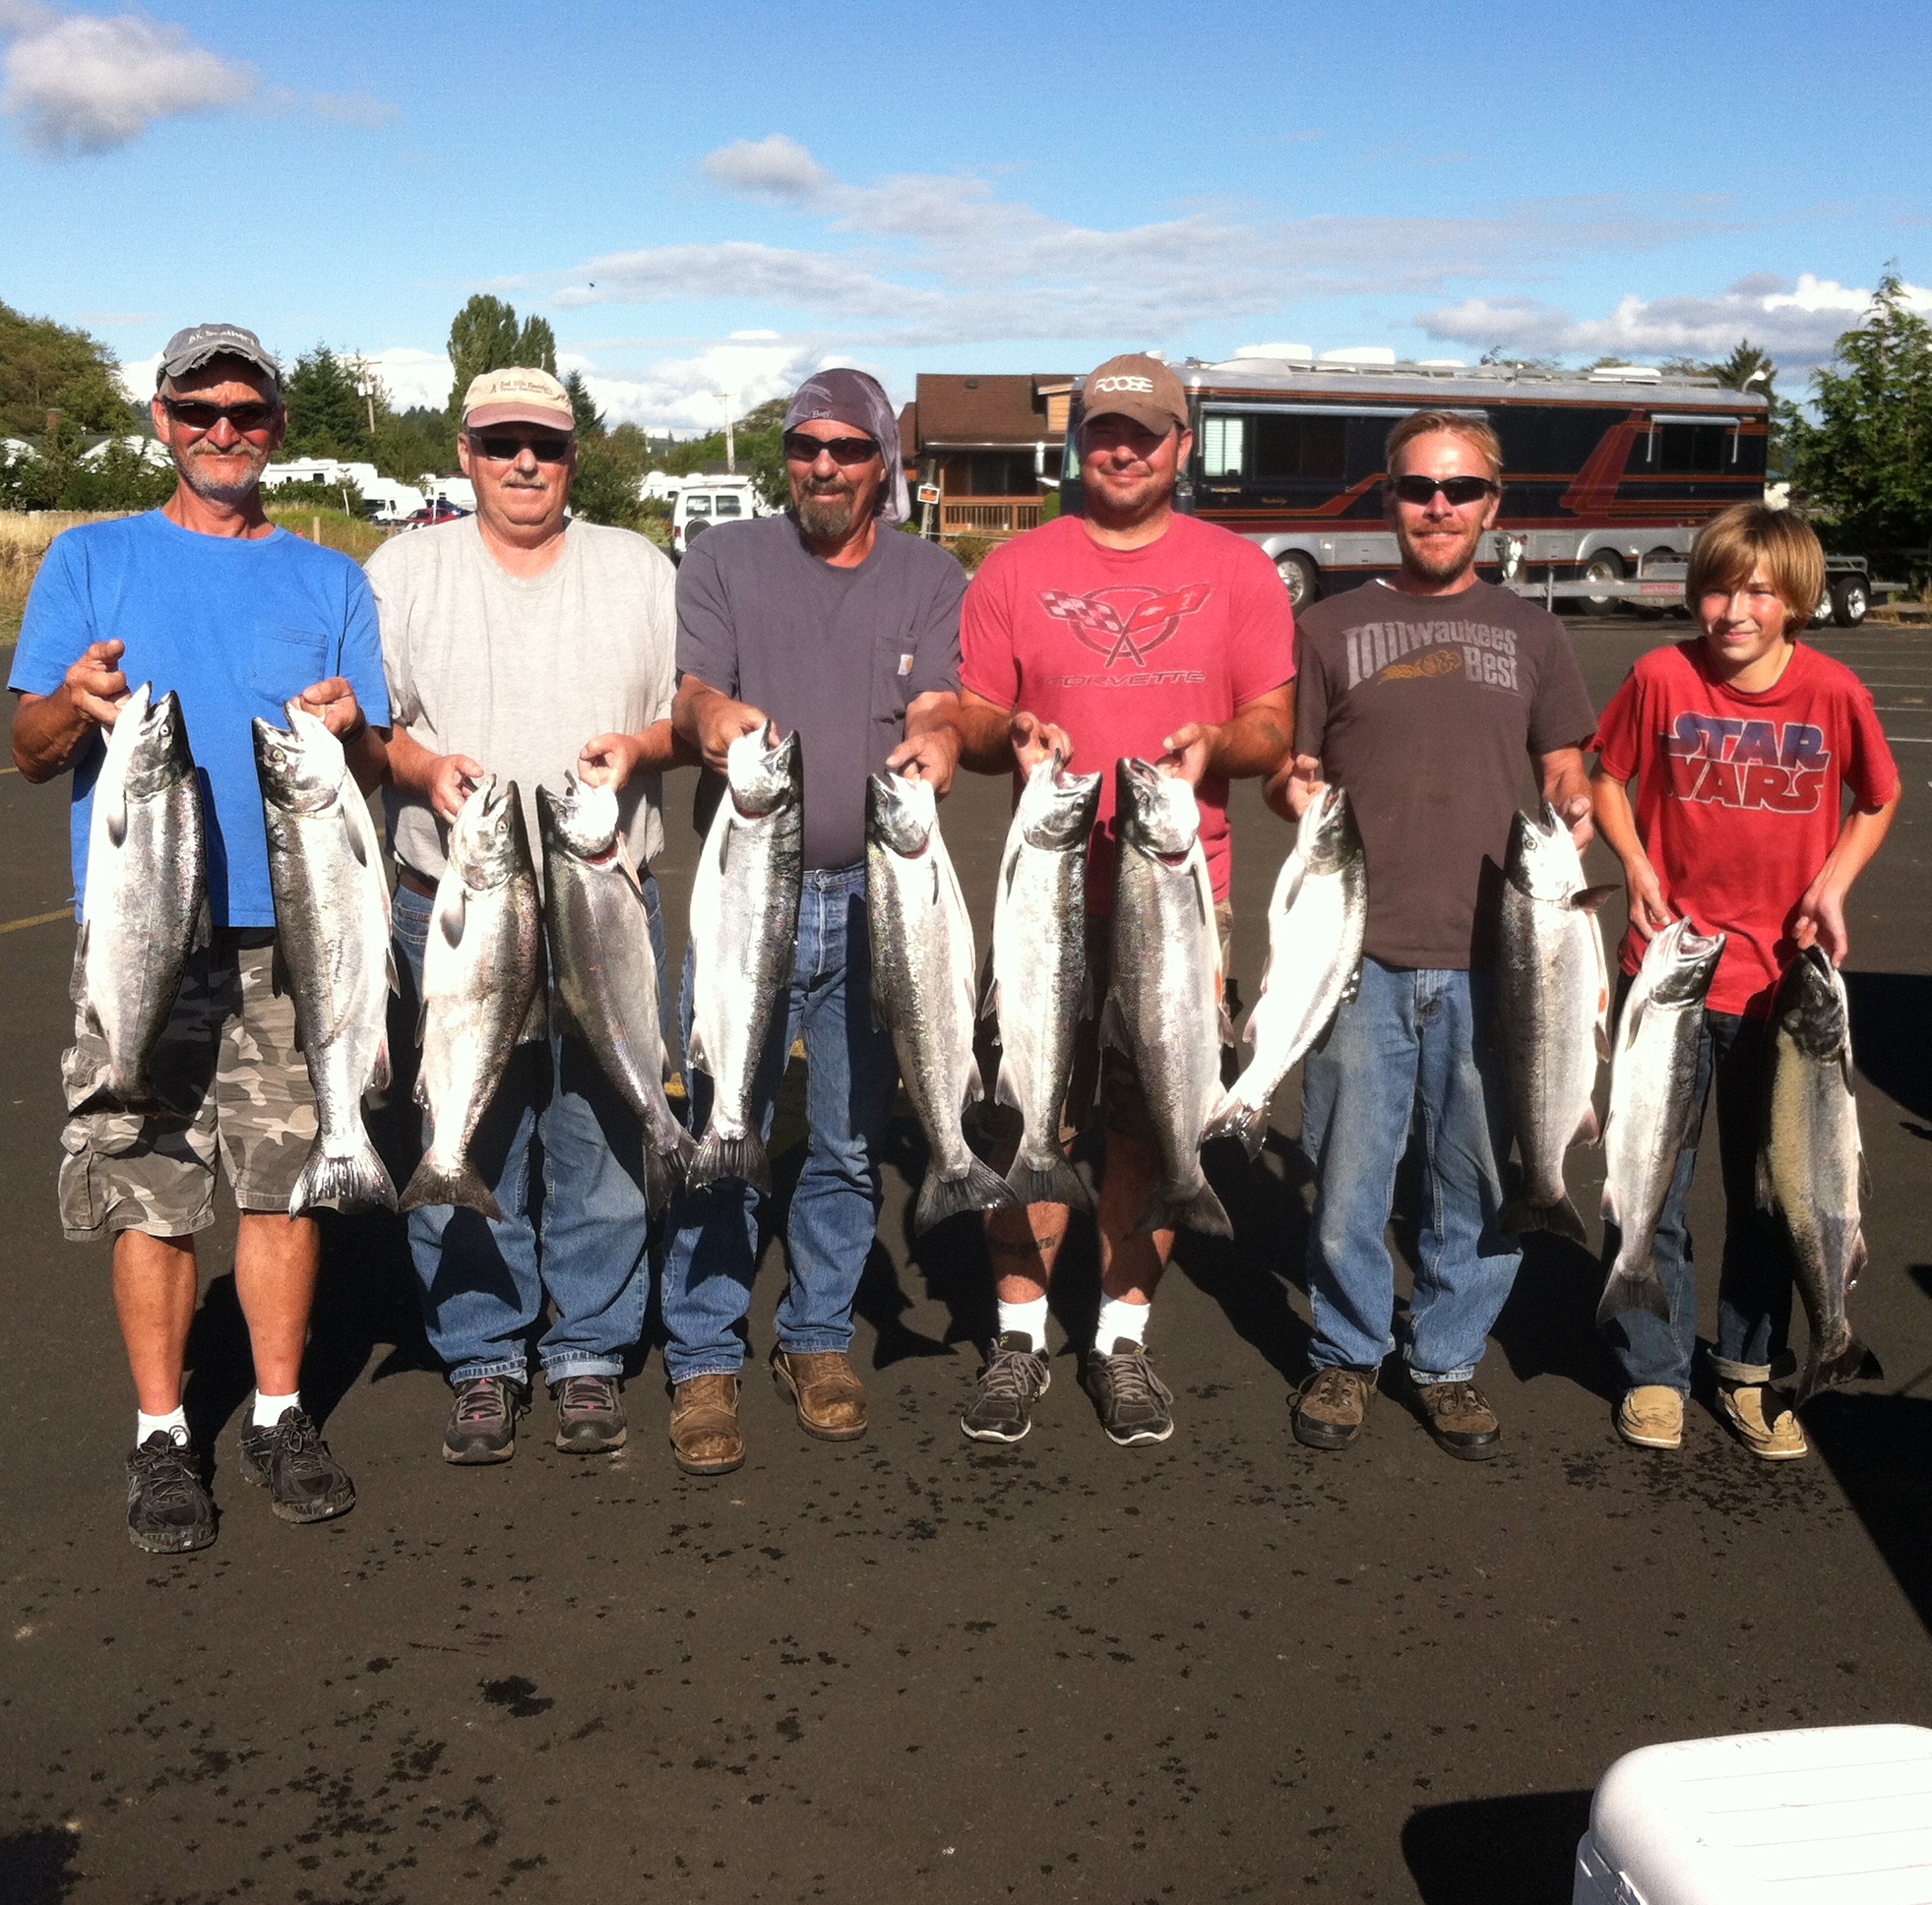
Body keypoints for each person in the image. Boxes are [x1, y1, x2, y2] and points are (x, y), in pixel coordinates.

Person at [7, 323, 389, 1554]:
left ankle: (279, 1412)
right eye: (199, 410)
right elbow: (25, 751)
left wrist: (351, 729)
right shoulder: (89, 560)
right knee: (151, 1195)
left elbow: (370, 762)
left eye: (248, 412)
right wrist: (71, 704)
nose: (224, 432)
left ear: (278, 426)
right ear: (161, 419)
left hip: (296, 940)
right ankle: (163, 1435)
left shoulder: (331, 579)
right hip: (142, 940)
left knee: (285, 1189)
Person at [951, 352, 1295, 1448]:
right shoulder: (1014, 566)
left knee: (1151, 1127)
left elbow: (1273, 728)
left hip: (1184, 898)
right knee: (1026, 1116)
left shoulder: (1239, 570)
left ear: (1183, 446)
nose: (1123, 448)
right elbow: (968, 715)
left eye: (1147, 432)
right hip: (1046, 903)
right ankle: (1018, 1340)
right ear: (1078, 441)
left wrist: (1217, 746)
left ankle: (1120, 1341)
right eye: (1105, 429)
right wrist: (1009, 732)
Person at [371, 365, 683, 1466]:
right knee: (468, 1128)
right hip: (456, 907)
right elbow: (369, 730)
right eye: (500, 441)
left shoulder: (640, 569)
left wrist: (640, 748)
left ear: (573, 455)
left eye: (543, 445)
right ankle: (483, 1354)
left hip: (604, 902)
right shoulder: (403, 569)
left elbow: (681, 717)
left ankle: (589, 1352)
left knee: (597, 1135)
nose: (523, 464)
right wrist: (419, 769)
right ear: (464, 451)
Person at [1272, 411, 1598, 1458]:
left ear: (1494, 507)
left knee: (1482, 1181)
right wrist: (1294, 785)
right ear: (1389, 500)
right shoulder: (1326, 627)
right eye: (1419, 488)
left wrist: (1574, 792)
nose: (1439, 507)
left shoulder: (1535, 632)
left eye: (1460, 490)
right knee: (1348, 1176)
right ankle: (1347, 1351)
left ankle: (1448, 1358)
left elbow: (1562, 764)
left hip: (1504, 964)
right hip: (1358, 954)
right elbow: (1294, 765)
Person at [662, 368, 966, 1476]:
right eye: (804, 446)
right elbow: (696, 692)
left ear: (884, 460)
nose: (824, 466)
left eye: (846, 448)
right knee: (722, 1125)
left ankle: (817, 1338)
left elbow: (939, 698)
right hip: (752, 894)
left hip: (879, 892)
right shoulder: (725, 559)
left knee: (843, 1140)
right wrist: (714, 717)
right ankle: (702, 1352)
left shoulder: (932, 572)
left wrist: (937, 736)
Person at [1589, 501, 1900, 1459]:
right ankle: (1654, 1370)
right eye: (1718, 588)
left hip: (1782, 993)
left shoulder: (1833, 691)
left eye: (1758, 592)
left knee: (1776, 1194)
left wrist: (1832, 886)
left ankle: (1752, 1371)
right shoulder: (1659, 675)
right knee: (1650, 1183)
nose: (1732, 610)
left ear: (1796, 599)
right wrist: (1636, 864)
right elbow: (1607, 776)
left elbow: (1878, 798)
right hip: (1672, 978)